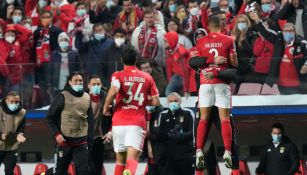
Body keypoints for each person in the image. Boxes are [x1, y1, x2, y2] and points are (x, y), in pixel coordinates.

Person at [103, 46, 160, 175]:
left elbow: (113, 91)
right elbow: (156, 102)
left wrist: (105, 107)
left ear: (122, 60)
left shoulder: (118, 75)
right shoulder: (147, 77)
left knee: (120, 162)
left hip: (118, 123)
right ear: (136, 60)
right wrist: (141, 101)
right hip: (136, 123)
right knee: (132, 160)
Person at [195, 15, 238, 170]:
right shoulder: (228, 40)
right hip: (221, 82)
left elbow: (196, 62)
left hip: (205, 82)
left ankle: (199, 150)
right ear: (221, 24)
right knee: (225, 119)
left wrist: (209, 61)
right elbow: (234, 63)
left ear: (208, 27)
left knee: (204, 119)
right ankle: (227, 151)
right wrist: (223, 61)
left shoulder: (200, 41)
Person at [46, 71, 94, 175]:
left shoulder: (87, 97)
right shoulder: (62, 96)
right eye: (75, 81)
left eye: (80, 81)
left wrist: (90, 141)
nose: (78, 83)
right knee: (60, 172)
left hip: (81, 142)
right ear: (70, 82)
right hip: (65, 142)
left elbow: (90, 121)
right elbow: (49, 117)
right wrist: (57, 134)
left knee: (83, 171)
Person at [249, 11, 307, 94]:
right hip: (282, 84)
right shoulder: (278, 40)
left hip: (299, 84)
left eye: (290, 31)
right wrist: (258, 21)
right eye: (286, 31)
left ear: (295, 32)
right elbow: (266, 32)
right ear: (282, 32)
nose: (288, 33)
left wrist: (306, 65)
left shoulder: (301, 44)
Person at [155, 92, 195, 175]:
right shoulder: (162, 115)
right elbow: (158, 135)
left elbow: (193, 133)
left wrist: (179, 136)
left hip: (186, 156)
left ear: (180, 101)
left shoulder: (188, 113)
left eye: (175, 101)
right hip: (169, 158)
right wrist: (169, 133)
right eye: (171, 101)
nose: (173, 103)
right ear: (167, 102)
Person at [87, 75, 112, 175]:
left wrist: (110, 131)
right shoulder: (83, 98)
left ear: (101, 85)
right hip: (85, 138)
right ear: (89, 86)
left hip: (100, 138)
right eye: (94, 84)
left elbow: (113, 117)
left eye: (98, 84)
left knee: (98, 166)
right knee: (87, 167)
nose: (96, 86)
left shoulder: (107, 97)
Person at [47, 32, 81, 97]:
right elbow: (50, 70)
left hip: (71, 82)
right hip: (57, 83)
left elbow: (79, 68)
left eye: (65, 40)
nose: (63, 41)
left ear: (68, 41)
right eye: (61, 40)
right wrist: (49, 84)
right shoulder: (54, 54)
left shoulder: (74, 53)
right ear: (58, 42)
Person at [0, 91, 26, 175]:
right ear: (6, 100)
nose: (14, 104)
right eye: (12, 102)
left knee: (9, 171)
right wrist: (1, 135)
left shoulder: (22, 112)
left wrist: (20, 134)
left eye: (16, 102)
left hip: (12, 146)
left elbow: (21, 127)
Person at [164, 31, 190, 97]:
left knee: (186, 97)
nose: (164, 43)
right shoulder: (169, 51)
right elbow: (169, 70)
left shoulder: (180, 53)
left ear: (171, 41)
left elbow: (185, 72)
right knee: (168, 92)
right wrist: (170, 83)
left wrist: (186, 90)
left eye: (166, 41)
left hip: (186, 77)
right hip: (177, 75)